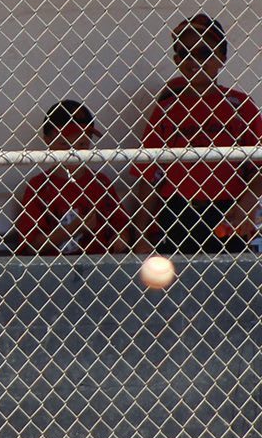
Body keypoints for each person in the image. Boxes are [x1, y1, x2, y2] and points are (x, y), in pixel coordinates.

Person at [131, 13, 262, 254]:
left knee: (229, 283)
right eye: (184, 53)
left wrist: (248, 202)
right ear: (176, 59)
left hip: (228, 210)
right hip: (178, 212)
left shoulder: (239, 105)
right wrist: (141, 234)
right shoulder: (167, 108)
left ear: (221, 58)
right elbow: (149, 175)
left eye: (204, 52)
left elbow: (259, 168)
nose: (194, 60)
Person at [15, 99, 146, 256]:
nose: (74, 153)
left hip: (99, 265)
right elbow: (31, 245)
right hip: (52, 269)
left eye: (82, 144)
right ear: (48, 141)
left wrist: (120, 239)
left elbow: (121, 226)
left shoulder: (100, 182)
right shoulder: (39, 186)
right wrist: (75, 227)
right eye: (65, 144)